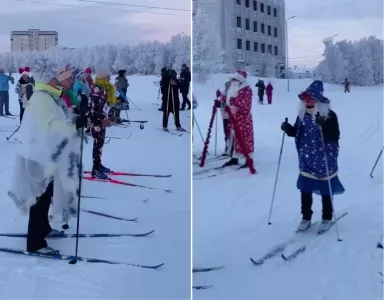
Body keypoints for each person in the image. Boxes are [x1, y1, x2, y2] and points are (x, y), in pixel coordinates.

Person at [8, 61, 87, 254]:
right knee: (39, 198)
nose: (70, 79)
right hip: (37, 157)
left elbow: (58, 121)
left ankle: (43, 228)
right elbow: (50, 127)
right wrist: (74, 126)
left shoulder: (49, 96)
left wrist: (76, 118)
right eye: (66, 76)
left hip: (45, 155)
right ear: (54, 78)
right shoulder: (43, 99)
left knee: (46, 194)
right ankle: (35, 243)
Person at [280, 80, 345, 232]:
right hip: (307, 157)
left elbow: (335, 135)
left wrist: (324, 126)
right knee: (305, 188)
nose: (308, 101)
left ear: (318, 99)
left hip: (324, 158)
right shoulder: (302, 115)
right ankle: (306, 217)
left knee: (326, 188)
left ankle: (327, 217)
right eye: (306, 98)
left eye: (311, 98)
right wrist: (288, 129)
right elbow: (297, 133)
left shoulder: (329, 115)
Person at [217, 71, 254, 168]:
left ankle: (248, 159)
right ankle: (234, 158)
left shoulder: (246, 89)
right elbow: (228, 99)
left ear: (239, 79)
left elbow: (244, 103)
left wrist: (231, 101)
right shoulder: (233, 88)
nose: (232, 81)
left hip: (243, 119)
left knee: (244, 139)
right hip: (233, 118)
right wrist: (221, 101)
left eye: (234, 79)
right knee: (233, 138)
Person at [89, 67, 116, 179]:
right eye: (107, 77)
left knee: (100, 145)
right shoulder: (97, 88)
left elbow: (105, 106)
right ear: (103, 77)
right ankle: (95, 169)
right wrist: (102, 119)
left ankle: (98, 165)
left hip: (101, 122)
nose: (109, 78)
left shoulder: (104, 88)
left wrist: (109, 116)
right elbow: (94, 108)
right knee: (97, 144)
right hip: (96, 122)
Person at [216, 81, 231, 155]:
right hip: (224, 116)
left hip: (231, 116)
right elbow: (221, 105)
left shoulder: (233, 94)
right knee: (226, 132)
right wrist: (217, 102)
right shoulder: (223, 94)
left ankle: (231, 148)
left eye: (228, 86)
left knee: (230, 132)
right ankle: (227, 146)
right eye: (226, 86)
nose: (227, 87)